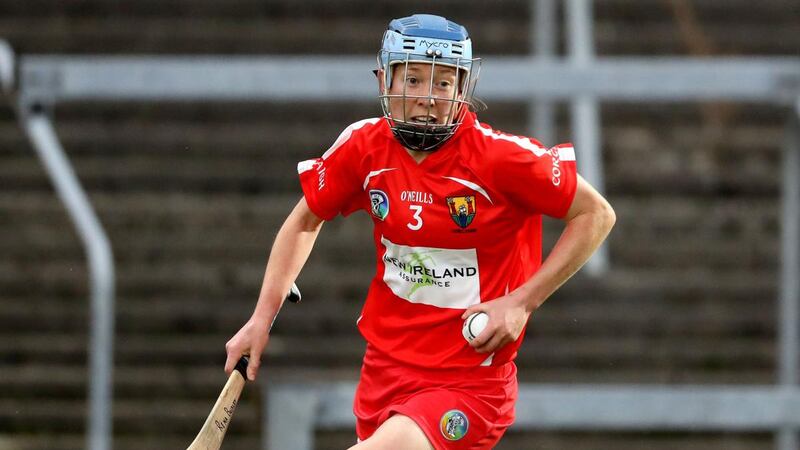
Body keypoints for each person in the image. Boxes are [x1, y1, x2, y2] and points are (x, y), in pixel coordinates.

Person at [224, 13, 615, 450]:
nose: (428, 97)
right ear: (384, 80)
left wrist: (522, 301)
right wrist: (261, 318)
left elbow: (596, 214)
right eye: (412, 80)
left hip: (470, 384)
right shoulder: (363, 146)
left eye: (444, 83)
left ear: (463, 89)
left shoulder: (502, 159)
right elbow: (303, 221)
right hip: (383, 372)